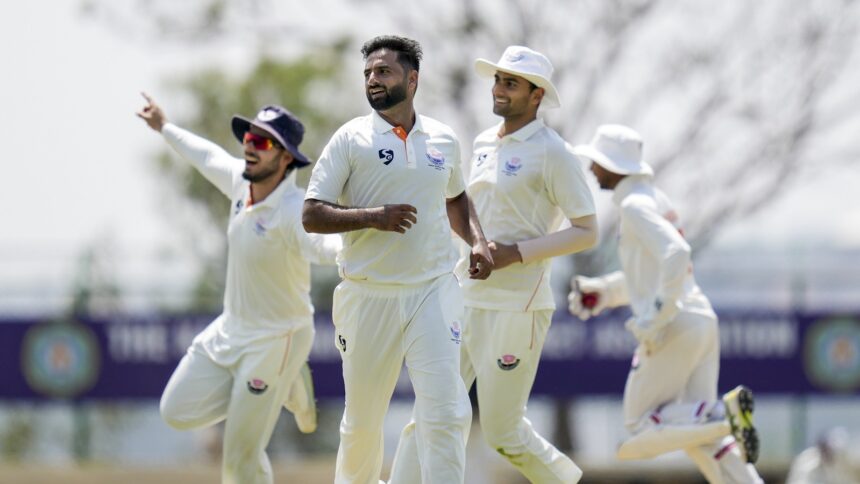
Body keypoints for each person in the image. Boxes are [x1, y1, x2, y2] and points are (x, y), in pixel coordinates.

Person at [387, 45, 598, 484]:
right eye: (498, 80)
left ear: (537, 95)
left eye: (511, 83)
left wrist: (514, 254)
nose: (499, 90)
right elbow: (466, 211)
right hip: (463, 297)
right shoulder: (483, 142)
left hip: (517, 306)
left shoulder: (553, 152)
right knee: (429, 411)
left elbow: (587, 230)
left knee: (504, 433)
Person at [302, 35, 493, 484]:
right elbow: (311, 214)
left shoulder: (443, 139)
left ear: (412, 78)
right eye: (368, 73)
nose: (372, 79)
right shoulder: (350, 139)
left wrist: (478, 241)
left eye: (383, 71)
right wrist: (374, 217)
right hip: (369, 295)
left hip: (432, 290)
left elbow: (457, 197)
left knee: (447, 411)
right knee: (363, 424)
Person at [136, 93, 340, 484]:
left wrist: (354, 250)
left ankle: (281, 379)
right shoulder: (239, 184)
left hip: (277, 339)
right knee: (175, 410)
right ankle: (286, 385)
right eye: (248, 137)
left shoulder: (293, 210)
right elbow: (206, 155)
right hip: (232, 330)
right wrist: (164, 125)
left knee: (239, 460)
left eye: (262, 142)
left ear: (285, 158)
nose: (249, 145)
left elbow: (323, 245)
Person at [567, 124, 763, 483]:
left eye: (596, 162)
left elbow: (676, 254)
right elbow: (654, 273)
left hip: (675, 325)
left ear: (614, 165)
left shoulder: (634, 205)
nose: (592, 170)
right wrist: (606, 292)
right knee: (701, 440)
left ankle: (722, 414)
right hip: (699, 319)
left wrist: (656, 317)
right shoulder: (654, 198)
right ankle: (720, 420)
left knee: (638, 428)